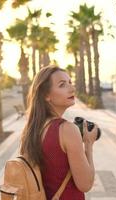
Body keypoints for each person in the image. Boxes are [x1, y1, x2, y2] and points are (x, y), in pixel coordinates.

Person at [20, 65, 98, 200]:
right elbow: (85, 184)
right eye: (62, 85)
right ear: (46, 95)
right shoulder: (67, 130)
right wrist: (88, 144)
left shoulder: (32, 129)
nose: (72, 88)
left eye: (70, 83)